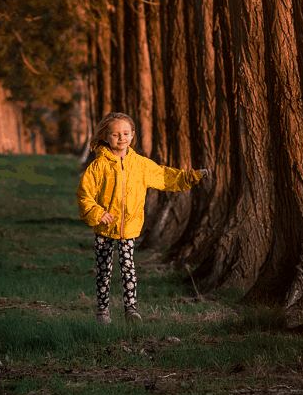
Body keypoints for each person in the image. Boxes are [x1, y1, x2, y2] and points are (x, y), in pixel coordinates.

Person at [76, 112, 208, 325]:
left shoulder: (140, 164)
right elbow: (84, 193)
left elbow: (164, 176)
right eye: (115, 134)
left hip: (128, 227)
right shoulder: (98, 166)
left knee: (128, 267)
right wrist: (98, 213)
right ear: (106, 137)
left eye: (126, 133)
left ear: (133, 135)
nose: (121, 138)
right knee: (104, 270)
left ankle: (131, 310)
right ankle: (102, 311)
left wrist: (189, 177)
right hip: (103, 228)